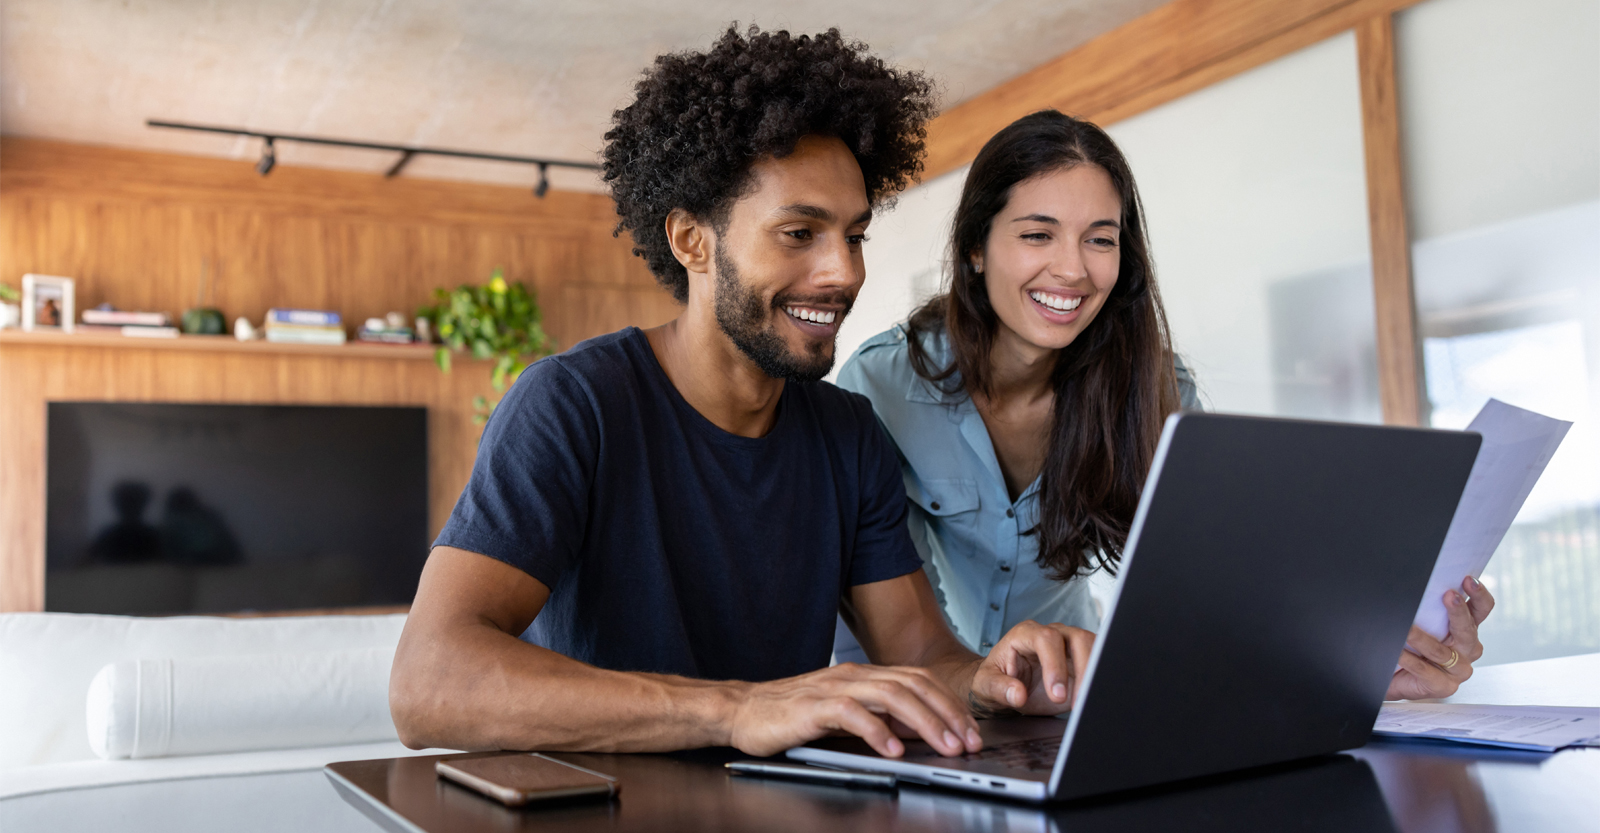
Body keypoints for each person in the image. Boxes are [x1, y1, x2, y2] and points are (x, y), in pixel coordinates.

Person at [390, 27, 1095, 761]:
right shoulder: (573, 406)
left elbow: (918, 649)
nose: (843, 273)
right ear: (692, 242)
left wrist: (996, 679)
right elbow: (430, 683)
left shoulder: (848, 433)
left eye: (854, 236)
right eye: (799, 232)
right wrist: (737, 709)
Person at [831, 110, 1493, 700]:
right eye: (1038, 234)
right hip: (912, 704)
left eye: (1100, 238)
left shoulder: (1155, 392)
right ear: (975, 247)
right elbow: (874, 598)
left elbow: (1231, 579)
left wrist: (1366, 655)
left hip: (1064, 702)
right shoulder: (880, 385)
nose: (1073, 269)